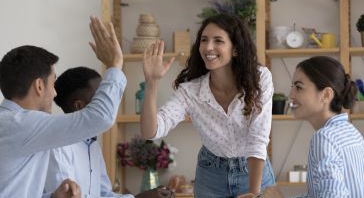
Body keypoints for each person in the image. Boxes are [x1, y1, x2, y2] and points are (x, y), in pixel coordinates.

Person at [140, 14, 275, 198]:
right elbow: (151, 131)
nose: (208, 47)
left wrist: (254, 193)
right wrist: (152, 83)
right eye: (204, 40)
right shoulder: (191, 91)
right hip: (211, 176)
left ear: (235, 49)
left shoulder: (260, 78)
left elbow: (258, 138)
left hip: (254, 171)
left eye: (218, 40)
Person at [0, 17, 126, 198]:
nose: (55, 93)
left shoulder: (12, 123)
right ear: (39, 86)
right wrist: (115, 65)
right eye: (52, 83)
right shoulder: (21, 123)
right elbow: (101, 117)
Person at [44, 66, 175, 198]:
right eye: (101, 96)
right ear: (79, 106)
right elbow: (67, 196)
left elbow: (104, 194)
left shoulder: (92, 144)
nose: (108, 102)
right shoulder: (58, 145)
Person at [262, 56, 364, 198]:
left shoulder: (324, 137)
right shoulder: (352, 133)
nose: (291, 95)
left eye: (299, 87)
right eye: (293, 87)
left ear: (326, 95)